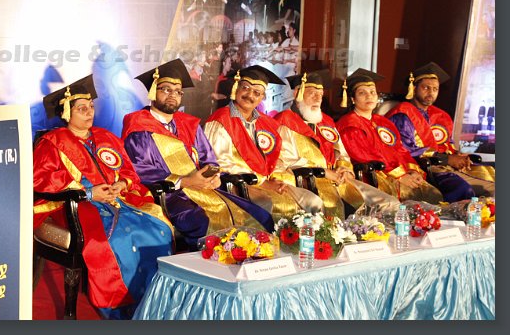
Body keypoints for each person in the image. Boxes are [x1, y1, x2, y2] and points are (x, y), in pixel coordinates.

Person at [34, 75, 173, 320]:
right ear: (67, 113)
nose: (89, 112)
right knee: (119, 238)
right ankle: (121, 306)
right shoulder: (52, 143)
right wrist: (88, 192)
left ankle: (155, 301)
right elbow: (40, 180)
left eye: (91, 106)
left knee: (158, 228)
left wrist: (121, 183)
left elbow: (129, 171)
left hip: (118, 201)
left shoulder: (106, 137)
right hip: (77, 205)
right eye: (82, 109)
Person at [122, 60, 273, 247]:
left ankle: (242, 262)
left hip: (204, 189)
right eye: (166, 89)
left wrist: (214, 176)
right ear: (153, 91)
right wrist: (185, 181)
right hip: (169, 195)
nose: (173, 95)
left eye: (178, 91)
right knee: (201, 222)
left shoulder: (188, 123)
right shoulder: (139, 126)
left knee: (259, 217)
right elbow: (140, 169)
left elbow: (208, 159)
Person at [204, 65, 324, 221]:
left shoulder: (267, 123)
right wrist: (262, 182)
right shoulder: (221, 120)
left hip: (269, 181)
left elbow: (278, 157)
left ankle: (306, 238)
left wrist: (277, 177)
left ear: (262, 97)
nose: (250, 95)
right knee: (266, 204)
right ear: (236, 88)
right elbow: (219, 162)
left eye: (257, 93)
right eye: (245, 88)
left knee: (313, 202)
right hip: (239, 184)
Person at [275, 70, 400, 218]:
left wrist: (344, 168)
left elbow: (342, 153)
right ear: (297, 93)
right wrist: (323, 171)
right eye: (312, 93)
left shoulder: (326, 121)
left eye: (320, 94)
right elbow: (284, 160)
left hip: (339, 180)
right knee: (335, 211)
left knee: (388, 202)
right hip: (308, 181)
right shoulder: (285, 121)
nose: (318, 98)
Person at [386, 62, 494, 200]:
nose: (431, 92)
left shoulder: (440, 115)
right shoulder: (402, 115)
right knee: (462, 189)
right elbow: (407, 150)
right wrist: (447, 159)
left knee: (492, 183)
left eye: (435, 89)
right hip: (424, 167)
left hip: (447, 164)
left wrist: (458, 155)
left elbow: (448, 143)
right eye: (426, 87)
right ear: (414, 88)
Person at [336, 69, 442, 204]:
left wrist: (412, 171)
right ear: (352, 99)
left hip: (399, 173)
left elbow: (400, 150)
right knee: (424, 197)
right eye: (362, 93)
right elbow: (366, 157)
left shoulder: (383, 122)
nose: (369, 96)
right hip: (376, 176)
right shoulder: (349, 124)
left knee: (434, 194)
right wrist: (400, 176)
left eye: (372, 92)